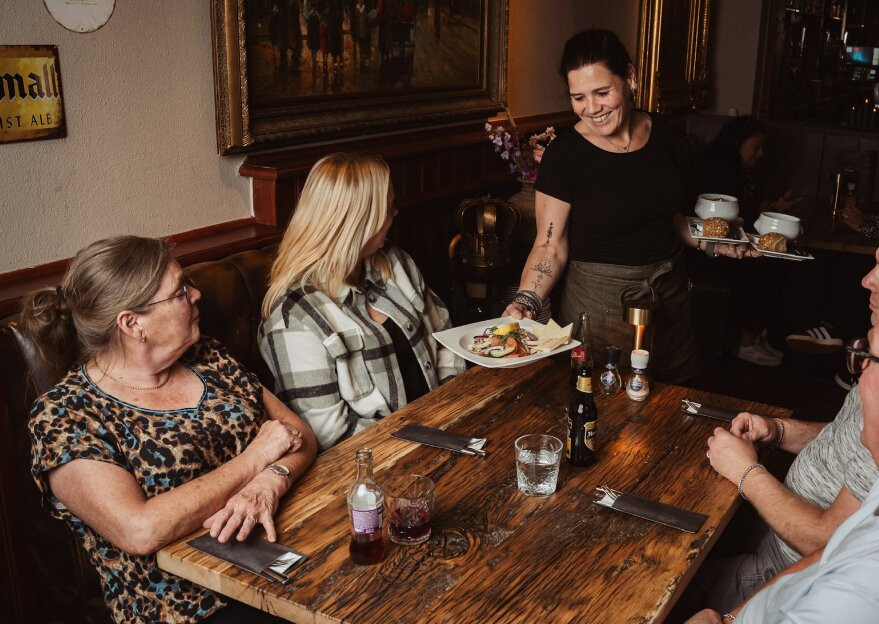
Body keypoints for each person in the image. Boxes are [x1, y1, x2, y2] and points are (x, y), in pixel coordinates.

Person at [668, 208, 879, 617]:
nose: (867, 280)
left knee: (663, 579)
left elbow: (825, 543)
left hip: (785, 559)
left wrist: (745, 473)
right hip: (775, 527)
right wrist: (778, 430)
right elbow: (851, 436)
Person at [22, 236, 317, 624]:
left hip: (281, 559)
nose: (196, 294)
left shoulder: (206, 355)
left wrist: (270, 480)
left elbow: (297, 433)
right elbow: (140, 529)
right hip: (191, 606)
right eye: (180, 291)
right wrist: (256, 458)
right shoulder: (67, 415)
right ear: (132, 324)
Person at [503, 28, 749, 383]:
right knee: (606, 404)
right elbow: (549, 245)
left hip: (671, 302)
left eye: (602, 92)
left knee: (678, 401)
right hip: (600, 309)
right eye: (579, 97)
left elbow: (669, 218)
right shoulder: (566, 155)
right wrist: (527, 300)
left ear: (630, 77)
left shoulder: (661, 132)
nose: (592, 109)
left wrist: (716, 243)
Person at [259, 153, 462, 451]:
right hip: (376, 460)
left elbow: (445, 337)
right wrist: (426, 439)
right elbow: (331, 435)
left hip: (446, 430)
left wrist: (451, 409)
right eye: (388, 207)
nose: (396, 212)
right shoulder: (294, 317)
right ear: (359, 222)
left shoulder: (396, 263)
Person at [699, 116, 801, 366]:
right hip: (707, 248)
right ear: (737, 144)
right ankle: (745, 342)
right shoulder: (720, 168)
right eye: (756, 147)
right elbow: (731, 217)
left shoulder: (742, 172)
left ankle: (755, 335)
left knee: (775, 261)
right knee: (757, 267)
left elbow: (747, 210)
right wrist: (769, 211)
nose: (761, 153)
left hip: (728, 240)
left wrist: (772, 208)